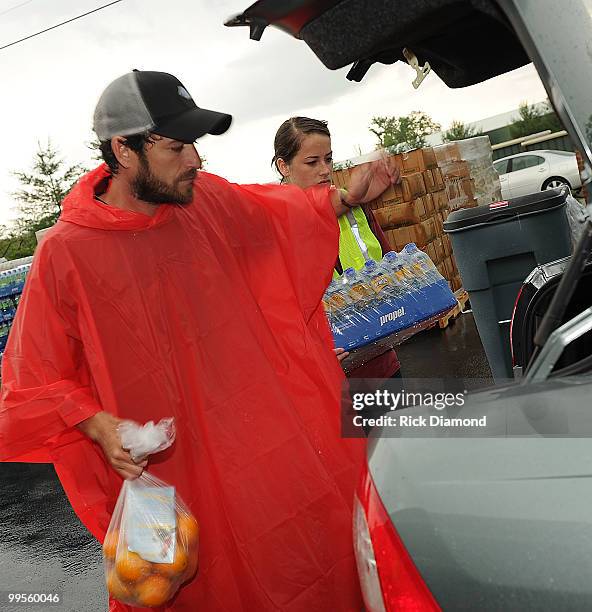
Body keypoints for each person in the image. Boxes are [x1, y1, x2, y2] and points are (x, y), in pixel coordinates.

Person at [0, 71, 399, 612]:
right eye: (174, 146)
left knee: (310, 561)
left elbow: (275, 216)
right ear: (123, 149)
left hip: (256, 449)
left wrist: (345, 198)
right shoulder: (66, 254)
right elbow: (32, 377)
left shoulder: (203, 202)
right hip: (171, 474)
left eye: (194, 144)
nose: (194, 159)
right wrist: (96, 423)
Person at [273, 117, 402, 380]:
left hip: (381, 363)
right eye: (312, 162)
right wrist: (309, 352)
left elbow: (391, 268)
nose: (325, 170)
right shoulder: (272, 226)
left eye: (328, 159)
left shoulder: (353, 204)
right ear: (283, 166)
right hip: (323, 378)